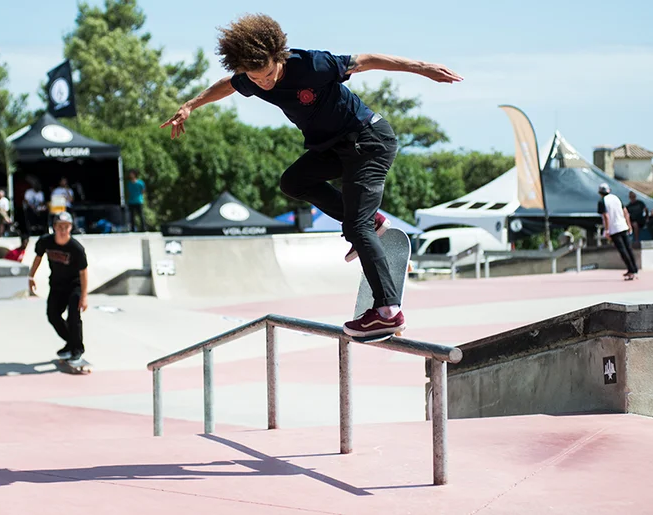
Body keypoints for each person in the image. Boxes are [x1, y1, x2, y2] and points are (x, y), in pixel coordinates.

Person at [161, 14, 462, 338]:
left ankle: (388, 311)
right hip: (334, 149)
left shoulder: (312, 64)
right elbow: (227, 85)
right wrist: (191, 105)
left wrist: (422, 67)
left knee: (355, 227)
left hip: (368, 141)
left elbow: (366, 61)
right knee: (294, 182)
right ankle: (371, 221)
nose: (264, 83)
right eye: (256, 78)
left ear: (279, 57)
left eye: (268, 75)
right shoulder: (250, 75)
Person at [29, 212, 89, 361]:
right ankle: (71, 342)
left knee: (74, 316)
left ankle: (77, 348)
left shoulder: (77, 249)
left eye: (66, 227)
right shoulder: (45, 242)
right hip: (56, 285)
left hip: (75, 286)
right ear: (54, 227)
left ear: (70, 228)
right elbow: (38, 258)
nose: (63, 230)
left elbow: (83, 272)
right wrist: (31, 276)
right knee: (52, 315)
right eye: (60, 227)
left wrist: (84, 296)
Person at [598, 183, 638, 279]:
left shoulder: (602, 201)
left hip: (614, 229)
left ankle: (631, 270)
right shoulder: (616, 198)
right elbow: (625, 212)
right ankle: (634, 269)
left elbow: (606, 216)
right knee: (628, 248)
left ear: (600, 192)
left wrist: (607, 230)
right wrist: (629, 225)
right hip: (623, 226)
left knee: (622, 250)